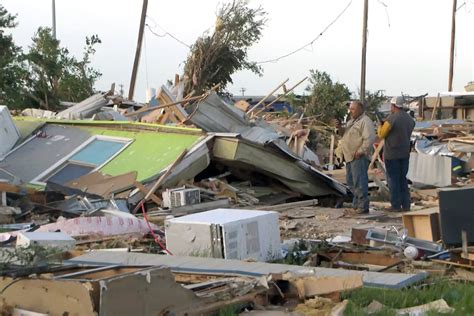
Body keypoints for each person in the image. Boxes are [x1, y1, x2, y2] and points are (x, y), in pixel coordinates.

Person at [336, 101, 376, 214]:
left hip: (358, 156)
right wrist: (339, 127)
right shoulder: (351, 122)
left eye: (353, 109)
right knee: (351, 182)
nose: (350, 111)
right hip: (349, 156)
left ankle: (363, 206)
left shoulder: (365, 121)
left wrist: (360, 151)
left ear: (360, 109)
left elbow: (369, 138)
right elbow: (344, 134)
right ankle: (356, 204)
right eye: (350, 109)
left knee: (359, 182)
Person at [377, 96, 415, 211]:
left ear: (393, 106)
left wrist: (380, 125)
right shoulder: (409, 119)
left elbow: (381, 134)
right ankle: (406, 205)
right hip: (404, 153)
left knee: (393, 180)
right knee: (402, 179)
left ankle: (396, 205)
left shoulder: (391, 119)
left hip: (392, 154)